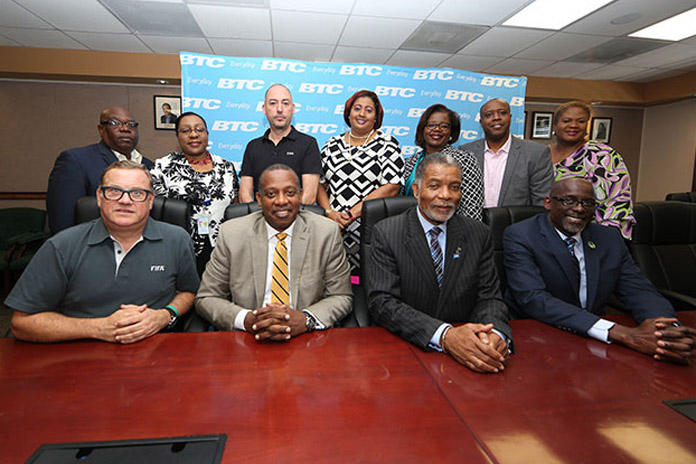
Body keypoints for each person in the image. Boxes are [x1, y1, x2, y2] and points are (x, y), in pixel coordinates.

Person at [503, 177, 696, 364]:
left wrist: (665, 330)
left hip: (594, 346)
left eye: (587, 203)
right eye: (569, 200)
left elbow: (638, 290)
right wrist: (618, 332)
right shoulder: (521, 235)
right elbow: (533, 298)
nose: (579, 209)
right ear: (548, 203)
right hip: (540, 338)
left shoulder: (609, 238)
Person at [6, 160, 199, 344]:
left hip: (156, 349)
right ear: (99, 197)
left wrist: (164, 315)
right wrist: (98, 328)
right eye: (115, 191)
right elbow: (21, 323)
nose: (125, 200)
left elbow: (188, 292)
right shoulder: (61, 246)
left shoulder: (177, 239)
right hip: (80, 351)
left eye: (137, 193)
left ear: (150, 201)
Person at [368, 153, 512, 374]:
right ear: (416, 191)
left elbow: (489, 297)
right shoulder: (387, 232)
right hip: (407, 352)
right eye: (434, 186)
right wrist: (445, 335)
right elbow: (383, 303)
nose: (445, 195)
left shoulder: (478, 233)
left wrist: (494, 335)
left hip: (470, 352)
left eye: (454, 187)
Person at [196, 164, 352, 339]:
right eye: (271, 194)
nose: (281, 201)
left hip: (306, 337)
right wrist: (247, 319)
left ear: (300, 196)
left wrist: (306, 320)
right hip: (248, 338)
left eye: (290, 193)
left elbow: (341, 296)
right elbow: (207, 298)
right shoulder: (231, 234)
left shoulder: (325, 232)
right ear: (259, 199)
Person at [318, 90, 404, 275]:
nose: (362, 114)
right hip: (335, 229)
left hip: (371, 230)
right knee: (334, 282)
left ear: (376, 117)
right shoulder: (331, 144)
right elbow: (319, 184)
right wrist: (329, 213)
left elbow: (392, 186)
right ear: (348, 113)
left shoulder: (387, 143)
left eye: (368, 110)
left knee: (370, 284)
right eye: (357, 108)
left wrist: (350, 215)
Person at [150, 112, 239, 275]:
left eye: (199, 130)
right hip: (179, 248)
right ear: (177, 136)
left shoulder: (226, 167)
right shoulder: (162, 167)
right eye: (185, 131)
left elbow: (234, 206)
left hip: (221, 248)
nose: (193, 135)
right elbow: (156, 213)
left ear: (207, 134)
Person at [47, 105, 154, 235]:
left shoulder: (149, 165)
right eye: (115, 123)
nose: (125, 128)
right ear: (101, 129)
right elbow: (62, 220)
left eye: (131, 124)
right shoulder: (76, 160)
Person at [550, 100, 635, 239]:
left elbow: (619, 200)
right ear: (555, 125)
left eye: (581, 121)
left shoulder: (602, 155)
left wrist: (606, 239)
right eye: (567, 120)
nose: (573, 125)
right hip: (551, 233)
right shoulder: (541, 153)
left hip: (593, 234)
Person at [460, 98, 553, 208]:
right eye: (489, 115)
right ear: (481, 122)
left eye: (502, 113)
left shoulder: (536, 153)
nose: (496, 118)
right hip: (473, 223)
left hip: (517, 224)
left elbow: (541, 202)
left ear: (510, 117)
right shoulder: (466, 152)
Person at [239, 84, 321, 205]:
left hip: (297, 220)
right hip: (259, 220)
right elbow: (244, 194)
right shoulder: (253, 147)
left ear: (293, 108)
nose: (279, 109)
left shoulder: (308, 144)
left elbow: (309, 196)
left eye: (285, 103)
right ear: (264, 109)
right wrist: (265, 217)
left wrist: (284, 216)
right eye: (273, 103)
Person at [403, 104, 484, 221]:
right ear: (422, 129)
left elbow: (472, 207)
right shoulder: (409, 162)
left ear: (451, 132)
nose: (437, 129)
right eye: (431, 125)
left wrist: (466, 236)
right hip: (409, 228)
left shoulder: (464, 160)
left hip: (451, 231)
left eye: (444, 126)